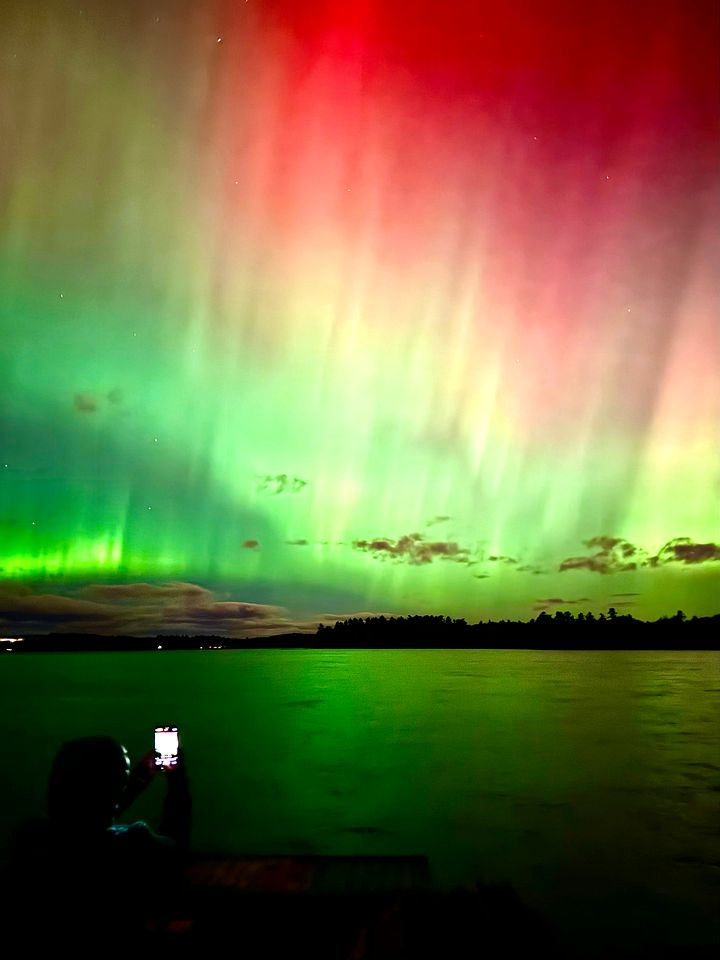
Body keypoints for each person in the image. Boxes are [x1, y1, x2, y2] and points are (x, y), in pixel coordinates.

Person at [2, 735, 192, 950]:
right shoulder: (133, 843)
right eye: (120, 778)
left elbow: (83, 820)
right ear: (115, 786)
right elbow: (176, 848)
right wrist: (177, 780)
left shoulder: (31, 837)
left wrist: (138, 776)